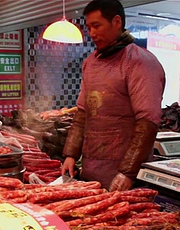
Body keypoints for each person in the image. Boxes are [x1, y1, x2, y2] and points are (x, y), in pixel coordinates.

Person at [60, 0, 165, 191]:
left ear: (117, 22)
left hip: (125, 176)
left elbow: (147, 121)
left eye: (97, 26)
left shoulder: (140, 62)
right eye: (89, 27)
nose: (92, 33)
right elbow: (82, 112)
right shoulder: (91, 62)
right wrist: (71, 155)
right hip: (91, 170)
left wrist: (128, 172)